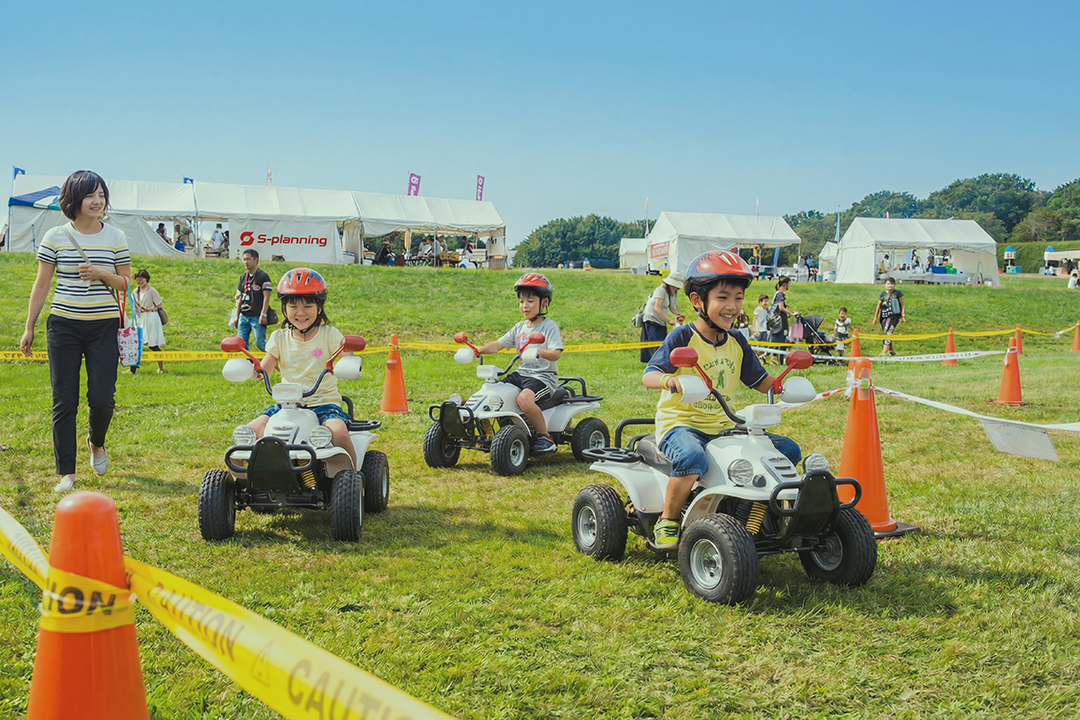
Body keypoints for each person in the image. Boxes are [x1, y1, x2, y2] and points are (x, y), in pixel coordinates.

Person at [644, 251, 801, 547]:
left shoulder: (737, 340)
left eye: (739, 298)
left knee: (788, 451)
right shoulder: (681, 337)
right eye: (723, 298)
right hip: (681, 424)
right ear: (697, 301)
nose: (732, 307)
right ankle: (668, 519)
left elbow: (759, 380)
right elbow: (649, 375)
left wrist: (782, 385)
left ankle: (770, 514)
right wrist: (671, 380)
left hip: (725, 425)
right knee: (692, 457)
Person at [20, 170, 131, 492]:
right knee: (64, 401)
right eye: (90, 195)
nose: (98, 201)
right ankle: (66, 472)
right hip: (63, 326)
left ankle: (96, 442)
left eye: (101, 195)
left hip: (104, 326)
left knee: (101, 399)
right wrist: (29, 327)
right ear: (74, 200)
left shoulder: (115, 237)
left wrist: (101, 273)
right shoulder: (55, 236)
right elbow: (42, 284)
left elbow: (126, 284)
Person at [247, 269, 358, 468]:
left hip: (323, 405)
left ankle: (354, 479)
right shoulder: (279, 338)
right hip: (285, 407)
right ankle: (245, 482)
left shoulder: (330, 335)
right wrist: (254, 370)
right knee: (247, 434)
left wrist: (347, 364)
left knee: (338, 431)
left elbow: (346, 357)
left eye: (308, 305)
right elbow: (265, 368)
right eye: (293, 305)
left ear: (319, 307)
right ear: (284, 307)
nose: (300, 312)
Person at [475, 274, 563, 454]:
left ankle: (545, 436)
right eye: (521, 301)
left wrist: (540, 352)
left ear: (544, 302)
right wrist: (477, 350)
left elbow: (556, 354)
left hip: (542, 378)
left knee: (524, 399)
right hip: (521, 375)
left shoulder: (549, 327)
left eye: (530, 301)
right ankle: (485, 429)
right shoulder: (519, 327)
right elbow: (498, 345)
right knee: (493, 391)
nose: (525, 306)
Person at [639, 272, 684, 363]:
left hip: (661, 321)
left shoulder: (674, 292)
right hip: (651, 319)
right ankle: (655, 363)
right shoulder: (661, 290)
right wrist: (669, 320)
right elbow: (657, 308)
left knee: (662, 343)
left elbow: (671, 307)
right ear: (669, 284)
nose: (676, 288)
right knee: (655, 344)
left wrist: (678, 315)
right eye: (674, 286)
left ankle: (660, 361)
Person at [234, 249, 273, 352]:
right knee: (241, 345)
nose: (245, 262)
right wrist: (236, 316)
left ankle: (273, 359)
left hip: (257, 316)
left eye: (248, 259)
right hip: (243, 316)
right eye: (244, 259)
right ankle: (247, 365)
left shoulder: (263, 276)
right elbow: (239, 298)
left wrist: (263, 314)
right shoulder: (243, 277)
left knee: (260, 343)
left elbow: (266, 297)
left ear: (256, 260)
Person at [131, 269, 165, 373]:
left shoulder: (152, 291)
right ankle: (133, 370)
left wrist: (148, 309)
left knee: (153, 344)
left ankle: (161, 368)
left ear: (146, 279)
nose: (139, 281)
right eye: (137, 279)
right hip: (139, 318)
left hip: (150, 318)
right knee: (136, 344)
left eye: (141, 279)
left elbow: (159, 306)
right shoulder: (135, 292)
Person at [766, 276, 798, 362]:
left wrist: (786, 307)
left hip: (775, 323)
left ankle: (768, 357)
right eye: (789, 284)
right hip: (780, 323)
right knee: (781, 342)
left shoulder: (776, 294)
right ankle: (777, 360)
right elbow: (780, 307)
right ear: (785, 284)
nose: (789, 286)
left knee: (775, 342)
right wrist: (791, 313)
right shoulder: (781, 294)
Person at [872, 276, 906, 356]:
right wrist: (875, 317)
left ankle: (883, 353)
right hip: (884, 316)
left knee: (888, 332)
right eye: (888, 284)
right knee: (886, 333)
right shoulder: (883, 294)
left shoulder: (897, 293)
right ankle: (891, 350)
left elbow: (902, 305)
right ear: (885, 285)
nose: (889, 286)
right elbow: (878, 305)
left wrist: (903, 315)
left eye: (891, 284)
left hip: (894, 317)